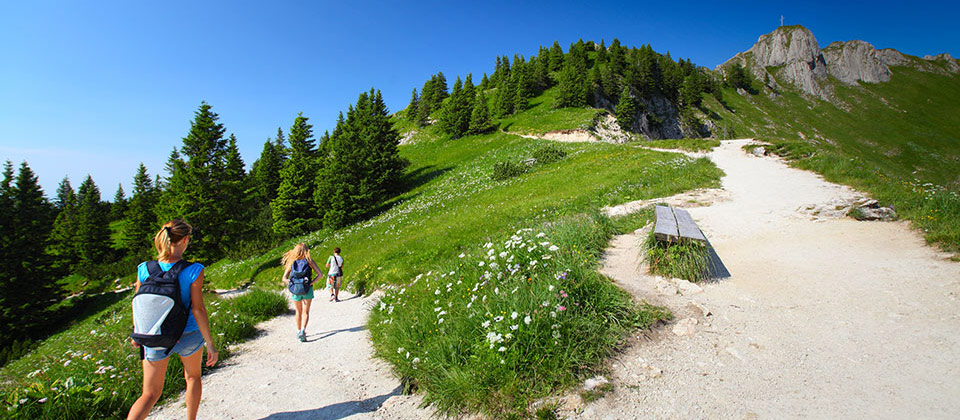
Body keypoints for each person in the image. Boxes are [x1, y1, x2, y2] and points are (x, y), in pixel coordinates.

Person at [127, 220, 218, 420]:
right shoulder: (194, 270)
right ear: (185, 240)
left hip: (154, 335)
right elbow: (198, 309)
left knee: (150, 393)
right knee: (193, 377)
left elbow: (138, 304)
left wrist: (137, 334)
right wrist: (210, 343)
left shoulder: (144, 269)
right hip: (189, 334)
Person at [281, 243, 322, 342]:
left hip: (295, 290)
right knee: (306, 311)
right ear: (306, 250)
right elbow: (320, 275)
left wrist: (292, 284)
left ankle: (298, 330)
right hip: (307, 289)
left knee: (298, 311)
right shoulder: (309, 261)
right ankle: (303, 330)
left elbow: (284, 278)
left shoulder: (292, 261)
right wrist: (311, 283)